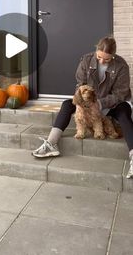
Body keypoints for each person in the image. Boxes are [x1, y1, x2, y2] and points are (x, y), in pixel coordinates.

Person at [32, 36, 133, 179]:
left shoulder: (121, 65)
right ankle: (51, 144)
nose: (102, 61)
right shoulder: (86, 60)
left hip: (113, 103)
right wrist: (83, 103)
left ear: (114, 55)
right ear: (96, 50)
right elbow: (80, 85)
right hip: (88, 102)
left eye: (107, 59)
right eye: (99, 57)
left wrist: (100, 104)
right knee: (67, 104)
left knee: (124, 113)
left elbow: (121, 93)